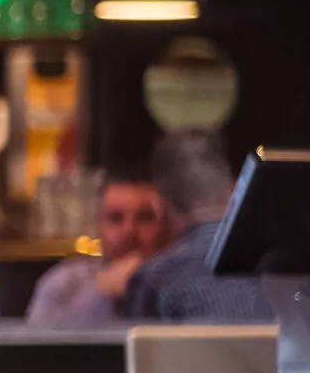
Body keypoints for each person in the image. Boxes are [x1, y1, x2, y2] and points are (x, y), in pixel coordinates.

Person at [124, 129, 272, 323]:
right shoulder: (285, 264)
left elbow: (137, 351)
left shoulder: (156, 277)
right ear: (235, 188)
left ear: (159, 206)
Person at [26, 177, 160, 327]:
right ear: (98, 226)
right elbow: (37, 344)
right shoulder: (64, 284)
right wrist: (101, 293)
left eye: (145, 217)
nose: (129, 230)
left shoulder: (183, 285)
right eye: (115, 218)